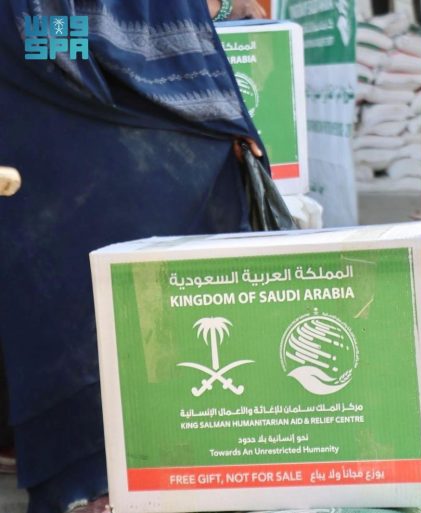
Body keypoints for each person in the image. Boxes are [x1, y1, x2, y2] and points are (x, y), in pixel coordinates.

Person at [0, 1, 268, 512]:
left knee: (74, 300)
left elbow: (45, 39)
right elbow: (56, 40)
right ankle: (110, 478)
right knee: (93, 301)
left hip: (54, 107)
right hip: (81, 120)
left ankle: (107, 476)